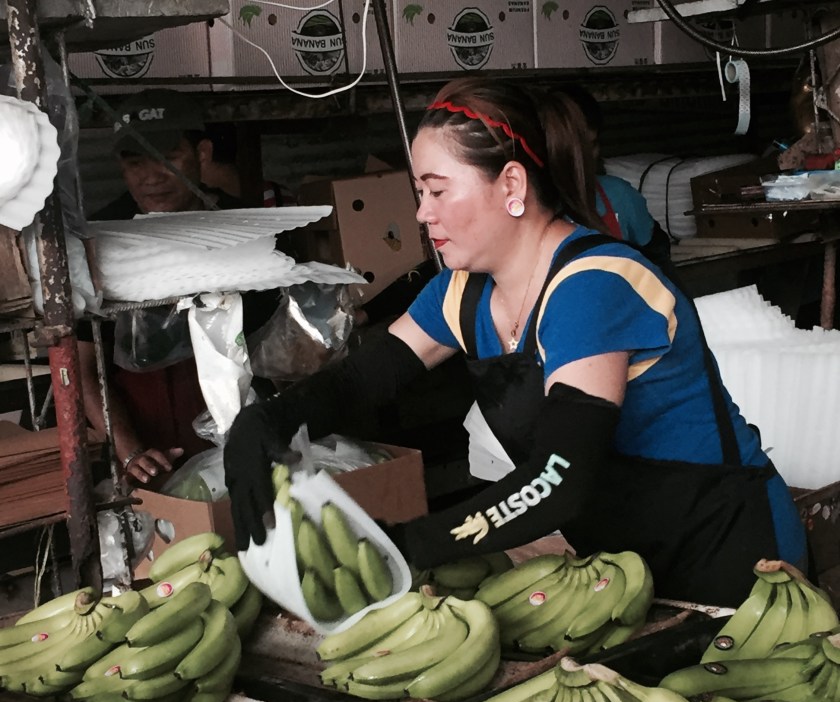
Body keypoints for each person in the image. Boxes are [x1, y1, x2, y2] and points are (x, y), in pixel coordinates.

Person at [223, 77, 807, 608]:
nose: (422, 214)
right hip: (623, 562)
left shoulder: (593, 286)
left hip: (728, 553)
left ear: (511, 183)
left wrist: (412, 542)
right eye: (419, 192)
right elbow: (360, 381)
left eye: (437, 191)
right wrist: (268, 421)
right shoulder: (462, 292)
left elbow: (559, 475)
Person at [80, 89, 274, 486]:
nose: (152, 176)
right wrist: (129, 450)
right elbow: (80, 367)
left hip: (250, 435)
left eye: (167, 157)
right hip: (151, 447)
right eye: (136, 162)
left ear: (202, 154)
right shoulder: (100, 243)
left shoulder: (246, 228)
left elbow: (280, 349)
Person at [558, 83, 673, 269]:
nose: (583, 159)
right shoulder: (537, 208)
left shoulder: (619, 195)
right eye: (576, 149)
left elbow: (658, 261)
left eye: (592, 145)